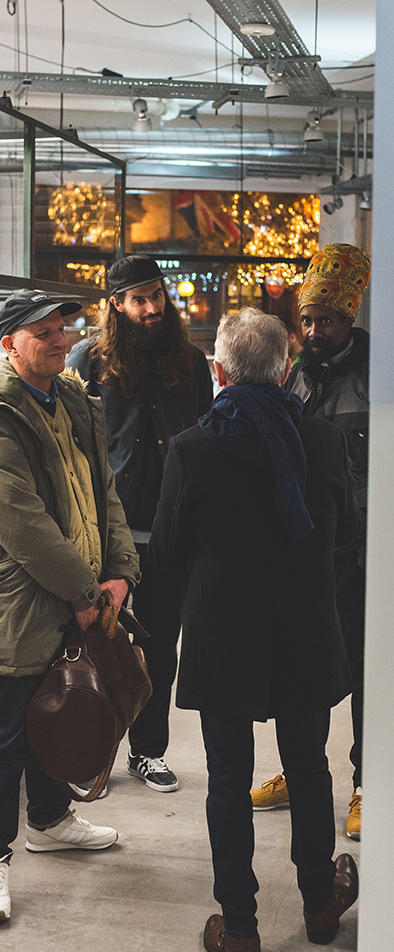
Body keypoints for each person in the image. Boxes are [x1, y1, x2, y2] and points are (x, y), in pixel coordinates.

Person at [149, 308, 360, 952]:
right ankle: (320, 908)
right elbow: (348, 542)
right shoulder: (321, 440)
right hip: (305, 633)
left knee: (228, 781)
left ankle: (239, 928)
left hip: (224, 640)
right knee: (311, 768)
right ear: (287, 368)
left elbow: (167, 556)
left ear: (217, 371)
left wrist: (158, 630)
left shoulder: (192, 448)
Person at [0, 289, 140, 923]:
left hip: (78, 595)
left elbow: (104, 493)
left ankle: (51, 819)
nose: (60, 340)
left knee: (56, 710)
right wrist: (87, 593)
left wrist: (119, 573)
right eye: (43, 333)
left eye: (63, 328)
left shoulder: (76, 403)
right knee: (6, 735)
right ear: (9, 344)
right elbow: (21, 522)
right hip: (16, 602)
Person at [66, 255, 213, 793]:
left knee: (160, 648)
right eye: (139, 300)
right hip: (105, 534)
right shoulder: (86, 361)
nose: (152, 308)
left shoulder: (191, 363)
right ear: (116, 306)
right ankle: (92, 750)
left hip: (170, 530)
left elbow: (206, 439)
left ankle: (148, 752)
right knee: (93, 645)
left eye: (157, 295)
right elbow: (72, 448)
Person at [250, 243, 370, 841]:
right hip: (305, 553)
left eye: (326, 319)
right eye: (308, 318)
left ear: (350, 315)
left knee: (367, 673)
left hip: (362, 555)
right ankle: (301, 772)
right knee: (305, 669)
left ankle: (365, 784)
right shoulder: (296, 372)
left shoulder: (377, 374)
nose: (314, 329)